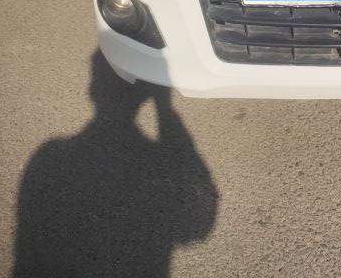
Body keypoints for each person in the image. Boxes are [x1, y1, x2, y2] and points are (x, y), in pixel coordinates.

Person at [11, 50, 218, 278]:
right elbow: (198, 227)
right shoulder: (154, 164)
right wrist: (163, 108)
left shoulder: (49, 157)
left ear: (91, 91)